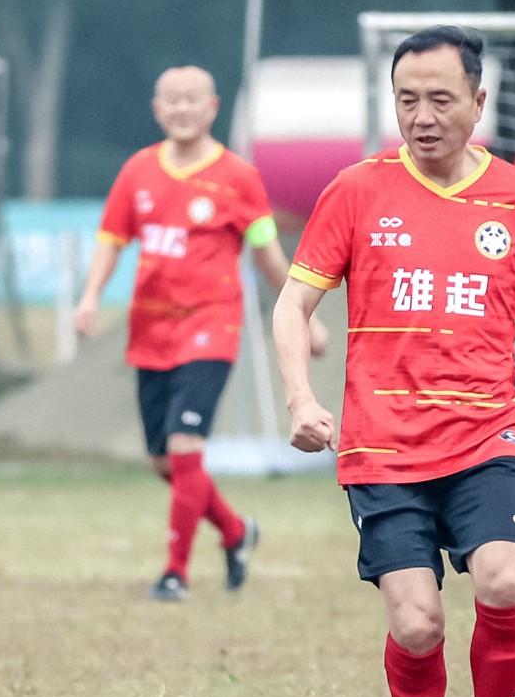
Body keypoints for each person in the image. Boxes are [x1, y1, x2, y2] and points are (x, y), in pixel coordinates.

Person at [274, 25, 515, 697]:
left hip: (488, 435)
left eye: (441, 99)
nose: (422, 116)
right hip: (382, 446)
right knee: (417, 623)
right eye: (407, 99)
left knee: (505, 581)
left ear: (479, 103)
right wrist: (300, 398)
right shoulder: (356, 190)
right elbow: (294, 304)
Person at [75, 65, 327, 602]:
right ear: (157, 109)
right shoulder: (138, 170)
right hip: (151, 331)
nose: (182, 108)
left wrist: (305, 315)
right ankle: (236, 532)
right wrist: (90, 296)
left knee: (186, 445)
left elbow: (267, 253)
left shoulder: (239, 176)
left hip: (211, 327)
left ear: (212, 107)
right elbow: (111, 239)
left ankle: (175, 573)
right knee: (164, 461)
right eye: (172, 99)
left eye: (193, 99)